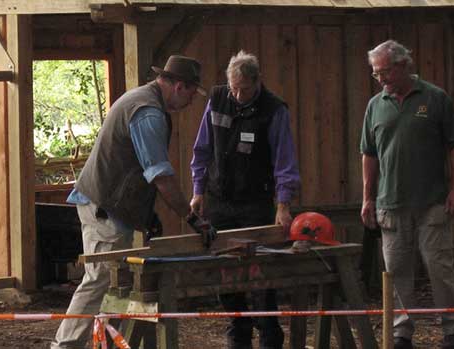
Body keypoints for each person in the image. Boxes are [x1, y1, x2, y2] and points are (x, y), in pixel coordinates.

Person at [51, 55, 214, 349]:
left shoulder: (142, 100)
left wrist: (146, 213)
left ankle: (103, 343)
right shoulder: (148, 113)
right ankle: (65, 346)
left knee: (112, 282)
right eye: (192, 92)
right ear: (179, 86)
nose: (192, 101)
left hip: (110, 205)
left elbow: (138, 170)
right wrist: (192, 219)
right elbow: (160, 176)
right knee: (100, 279)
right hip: (104, 206)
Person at [359, 40, 454, 349]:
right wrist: (367, 197)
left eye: (384, 72)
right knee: (395, 273)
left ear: (404, 65)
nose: (380, 79)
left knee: (439, 268)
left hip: (433, 202)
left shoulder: (435, 99)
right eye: (375, 74)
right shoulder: (375, 105)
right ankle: (401, 333)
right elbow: (368, 153)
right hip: (390, 204)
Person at [190, 50, 300, 349]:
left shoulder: (274, 110)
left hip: (256, 201)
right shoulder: (217, 99)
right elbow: (202, 149)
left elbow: (284, 161)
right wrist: (198, 190)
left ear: (257, 81)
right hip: (219, 199)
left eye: (245, 89)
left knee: (260, 269)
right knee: (224, 268)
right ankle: (238, 330)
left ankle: (269, 332)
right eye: (233, 88)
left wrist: (283, 204)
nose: (238, 95)